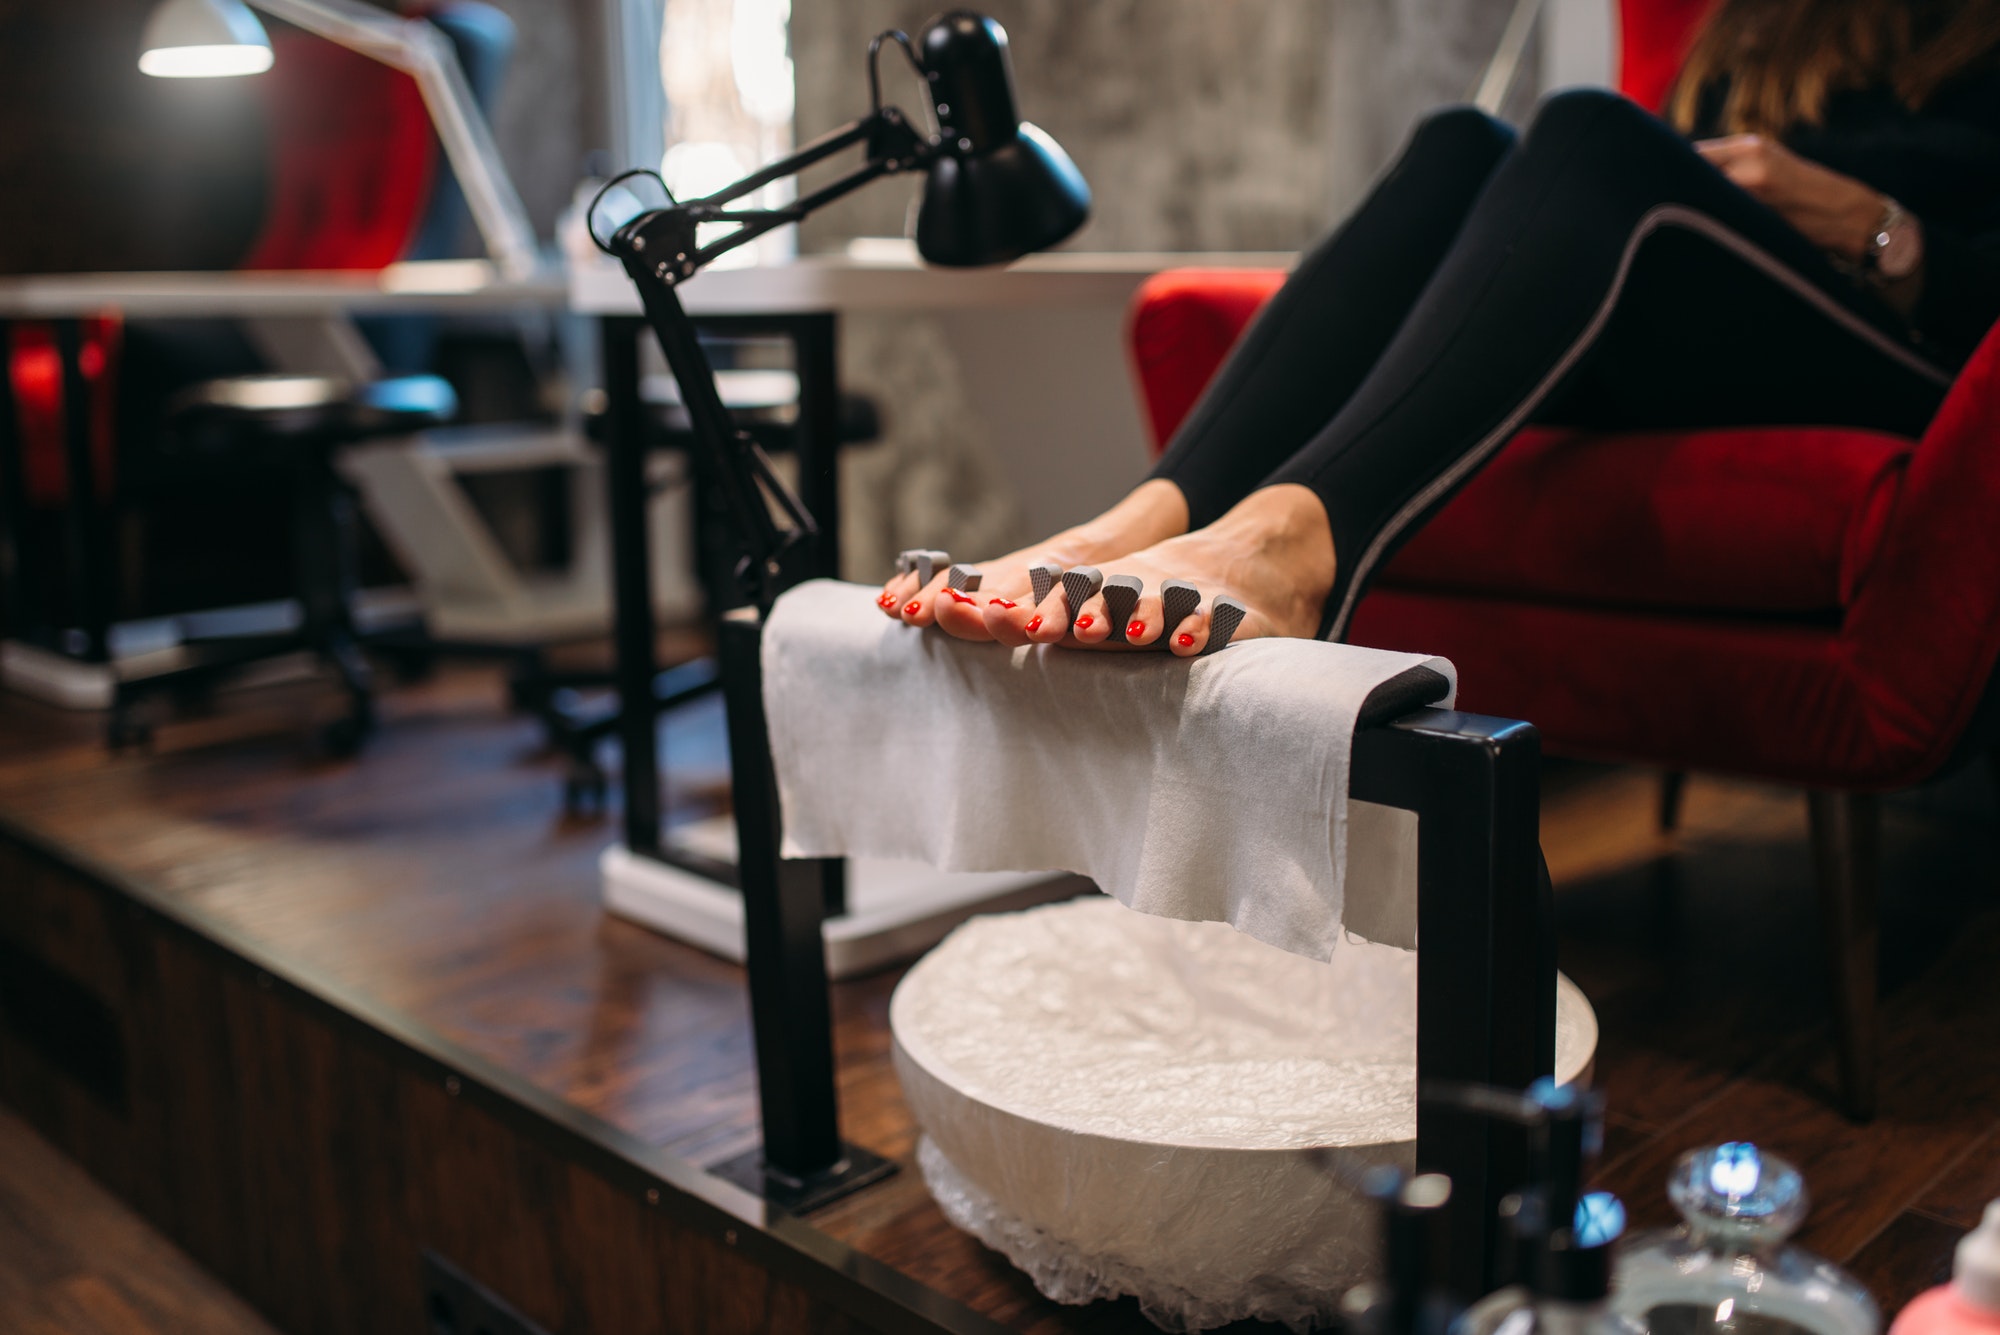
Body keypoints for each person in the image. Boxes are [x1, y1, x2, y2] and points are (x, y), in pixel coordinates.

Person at [875, 0, 2000, 655]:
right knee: (1462, 142)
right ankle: (1133, 520)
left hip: (1916, 353)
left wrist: (1877, 229)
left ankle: (1291, 551)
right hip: (1698, 336)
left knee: (1592, 136)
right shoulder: (1758, 26)